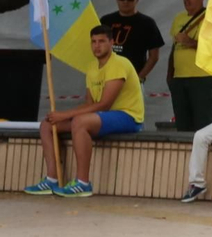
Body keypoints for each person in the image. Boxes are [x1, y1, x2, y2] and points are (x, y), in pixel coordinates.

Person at [24, 25, 145, 197]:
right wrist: (59, 117)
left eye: (102, 41)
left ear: (112, 43)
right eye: (93, 42)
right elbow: (89, 103)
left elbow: (104, 104)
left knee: (80, 122)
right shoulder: (91, 67)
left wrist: (65, 115)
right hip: (103, 117)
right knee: (47, 125)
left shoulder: (119, 63)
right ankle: (51, 179)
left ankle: (83, 183)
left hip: (128, 117)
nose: (97, 46)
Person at [167, 0, 212, 133]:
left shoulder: (211, 17)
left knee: (203, 124)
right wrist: (170, 74)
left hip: (203, 78)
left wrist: (190, 42)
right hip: (179, 78)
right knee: (182, 124)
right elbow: (174, 48)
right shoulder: (178, 18)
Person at [98, 0, 165, 99]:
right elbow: (96, 48)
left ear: (137, 0)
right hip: (106, 79)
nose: (125, 1)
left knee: (133, 116)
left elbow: (154, 56)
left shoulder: (147, 23)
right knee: (104, 115)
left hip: (132, 81)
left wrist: (139, 77)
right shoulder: (106, 21)